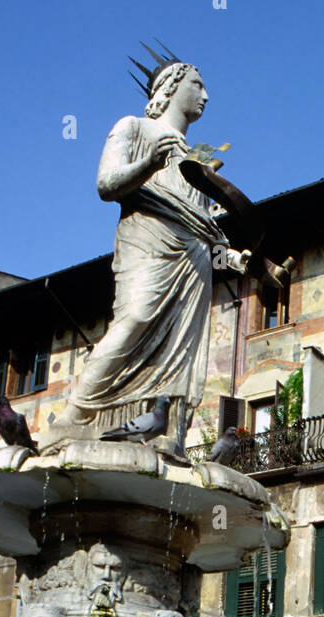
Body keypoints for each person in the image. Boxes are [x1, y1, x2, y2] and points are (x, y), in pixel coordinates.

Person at [59, 57, 247, 448]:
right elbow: (107, 185)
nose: (206, 95)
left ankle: (171, 435)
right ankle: (73, 417)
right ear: (170, 87)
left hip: (193, 263)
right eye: (197, 84)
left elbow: (206, 226)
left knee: (185, 349)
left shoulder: (199, 161)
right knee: (135, 317)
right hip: (147, 238)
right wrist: (149, 162)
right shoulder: (133, 128)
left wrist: (231, 259)